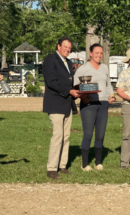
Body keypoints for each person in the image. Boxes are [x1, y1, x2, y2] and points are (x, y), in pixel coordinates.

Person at [43, 36, 80, 179]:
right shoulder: (50, 60)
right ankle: (51, 168)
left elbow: (69, 83)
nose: (68, 49)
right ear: (58, 46)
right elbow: (51, 82)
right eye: (65, 46)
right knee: (57, 136)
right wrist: (68, 91)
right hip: (55, 103)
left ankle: (62, 165)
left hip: (67, 104)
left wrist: (76, 92)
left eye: (70, 47)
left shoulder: (69, 62)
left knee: (66, 136)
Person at [74, 43, 116, 171]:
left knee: (100, 134)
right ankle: (85, 164)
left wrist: (112, 95)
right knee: (87, 134)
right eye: (96, 52)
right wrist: (83, 97)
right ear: (90, 53)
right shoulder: (83, 69)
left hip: (103, 104)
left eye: (101, 53)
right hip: (88, 104)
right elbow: (76, 86)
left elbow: (108, 84)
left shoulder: (105, 68)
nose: (99, 55)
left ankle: (98, 163)